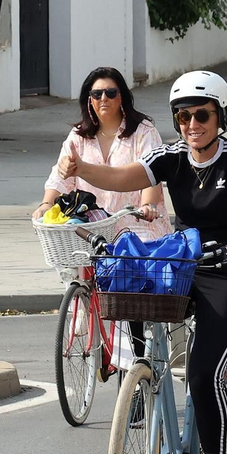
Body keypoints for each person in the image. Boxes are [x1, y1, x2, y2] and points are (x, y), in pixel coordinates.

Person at [57, 70, 227, 454]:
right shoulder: (171, 156)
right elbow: (126, 175)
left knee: (202, 371)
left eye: (202, 114)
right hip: (182, 267)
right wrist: (81, 171)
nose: (192, 123)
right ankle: (144, 378)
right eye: (184, 115)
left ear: (221, 117)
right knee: (136, 296)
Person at [37, 67, 171, 362]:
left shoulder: (143, 132)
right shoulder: (78, 137)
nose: (104, 99)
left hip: (135, 223)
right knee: (79, 259)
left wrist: (147, 205)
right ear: (88, 101)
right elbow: (61, 176)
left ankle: (137, 358)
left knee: (129, 282)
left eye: (111, 92)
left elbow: (152, 174)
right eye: (96, 94)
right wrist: (47, 204)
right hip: (95, 225)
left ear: (122, 97)